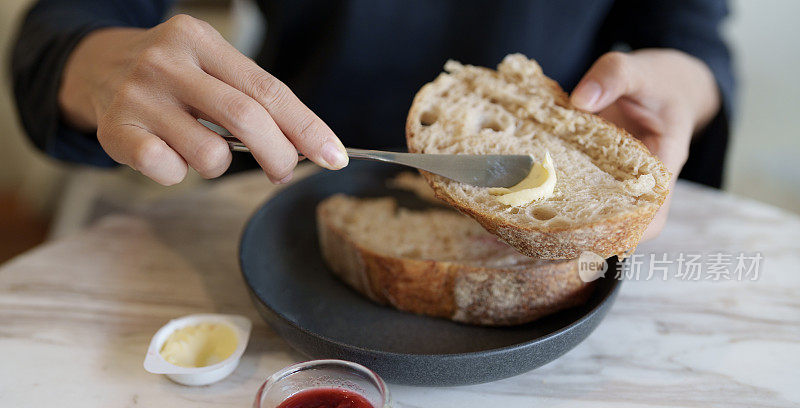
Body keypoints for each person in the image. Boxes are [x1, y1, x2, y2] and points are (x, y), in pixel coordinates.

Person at [12, 0, 732, 238]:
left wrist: (686, 88)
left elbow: (692, 35)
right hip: (290, 177)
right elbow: (67, 22)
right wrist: (101, 62)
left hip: (560, 189)